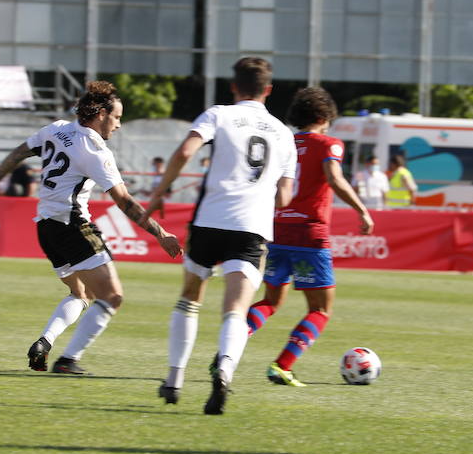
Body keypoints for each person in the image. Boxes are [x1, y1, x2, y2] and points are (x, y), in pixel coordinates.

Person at [0, 80, 180, 374]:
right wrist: (161, 233)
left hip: (45, 228)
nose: (119, 125)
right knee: (113, 296)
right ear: (100, 115)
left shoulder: (57, 128)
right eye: (117, 117)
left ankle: (45, 342)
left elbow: (21, 151)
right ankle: (69, 360)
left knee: (81, 295)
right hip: (73, 226)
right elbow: (124, 201)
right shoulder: (96, 151)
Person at [146, 56, 297, 414]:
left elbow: (185, 151)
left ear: (234, 86)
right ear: (269, 90)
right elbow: (285, 196)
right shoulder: (284, 134)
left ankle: (173, 378)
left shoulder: (219, 114)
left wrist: (160, 193)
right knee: (236, 308)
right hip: (252, 228)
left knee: (190, 298)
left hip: (209, 220)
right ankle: (224, 371)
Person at [245, 87, 374, 386]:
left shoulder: (282, 142)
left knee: (270, 301)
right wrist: (362, 211)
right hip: (309, 235)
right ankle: (282, 365)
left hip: (278, 231)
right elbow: (334, 177)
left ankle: (229, 349)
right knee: (320, 309)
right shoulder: (329, 144)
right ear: (324, 115)